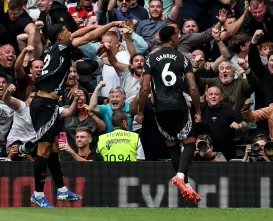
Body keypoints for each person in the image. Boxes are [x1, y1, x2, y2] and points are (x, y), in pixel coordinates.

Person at [29, 21, 124, 208]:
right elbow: (87, 37)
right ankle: (38, 194)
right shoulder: (63, 47)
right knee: (44, 150)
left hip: (49, 104)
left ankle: (62, 191)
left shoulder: (52, 48)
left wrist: (92, 25)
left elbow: (81, 32)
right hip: (43, 105)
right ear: (61, 37)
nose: (70, 33)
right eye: (66, 31)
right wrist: (112, 24)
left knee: (54, 148)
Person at [137, 25, 201, 204]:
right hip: (179, 105)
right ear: (173, 38)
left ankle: (186, 186)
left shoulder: (150, 59)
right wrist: (198, 110)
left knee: (172, 145)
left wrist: (141, 112)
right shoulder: (182, 58)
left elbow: (144, 89)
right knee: (189, 142)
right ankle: (180, 176)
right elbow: (193, 87)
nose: (178, 38)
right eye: (177, 35)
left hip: (160, 109)